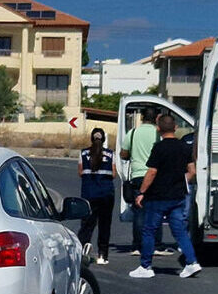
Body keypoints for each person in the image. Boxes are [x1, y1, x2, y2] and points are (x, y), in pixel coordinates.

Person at [128, 114, 200, 279]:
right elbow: (192, 171)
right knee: (179, 230)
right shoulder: (184, 147)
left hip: (158, 196)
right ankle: (191, 262)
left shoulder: (158, 148)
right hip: (178, 196)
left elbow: (152, 172)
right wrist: (179, 180)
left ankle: (145, 266)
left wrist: (142, 192)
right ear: (175, 128)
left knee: (149, 230)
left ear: (158, 129)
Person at [77, 127, 118, 263]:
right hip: (106, 194)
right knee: (104, 225)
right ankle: (102, 255)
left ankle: (81, 253)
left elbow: (80, 172)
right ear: (104, 139)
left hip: (89, 194)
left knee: (87, 225)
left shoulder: (83, 153)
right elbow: (114, 174)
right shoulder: (110, 154)